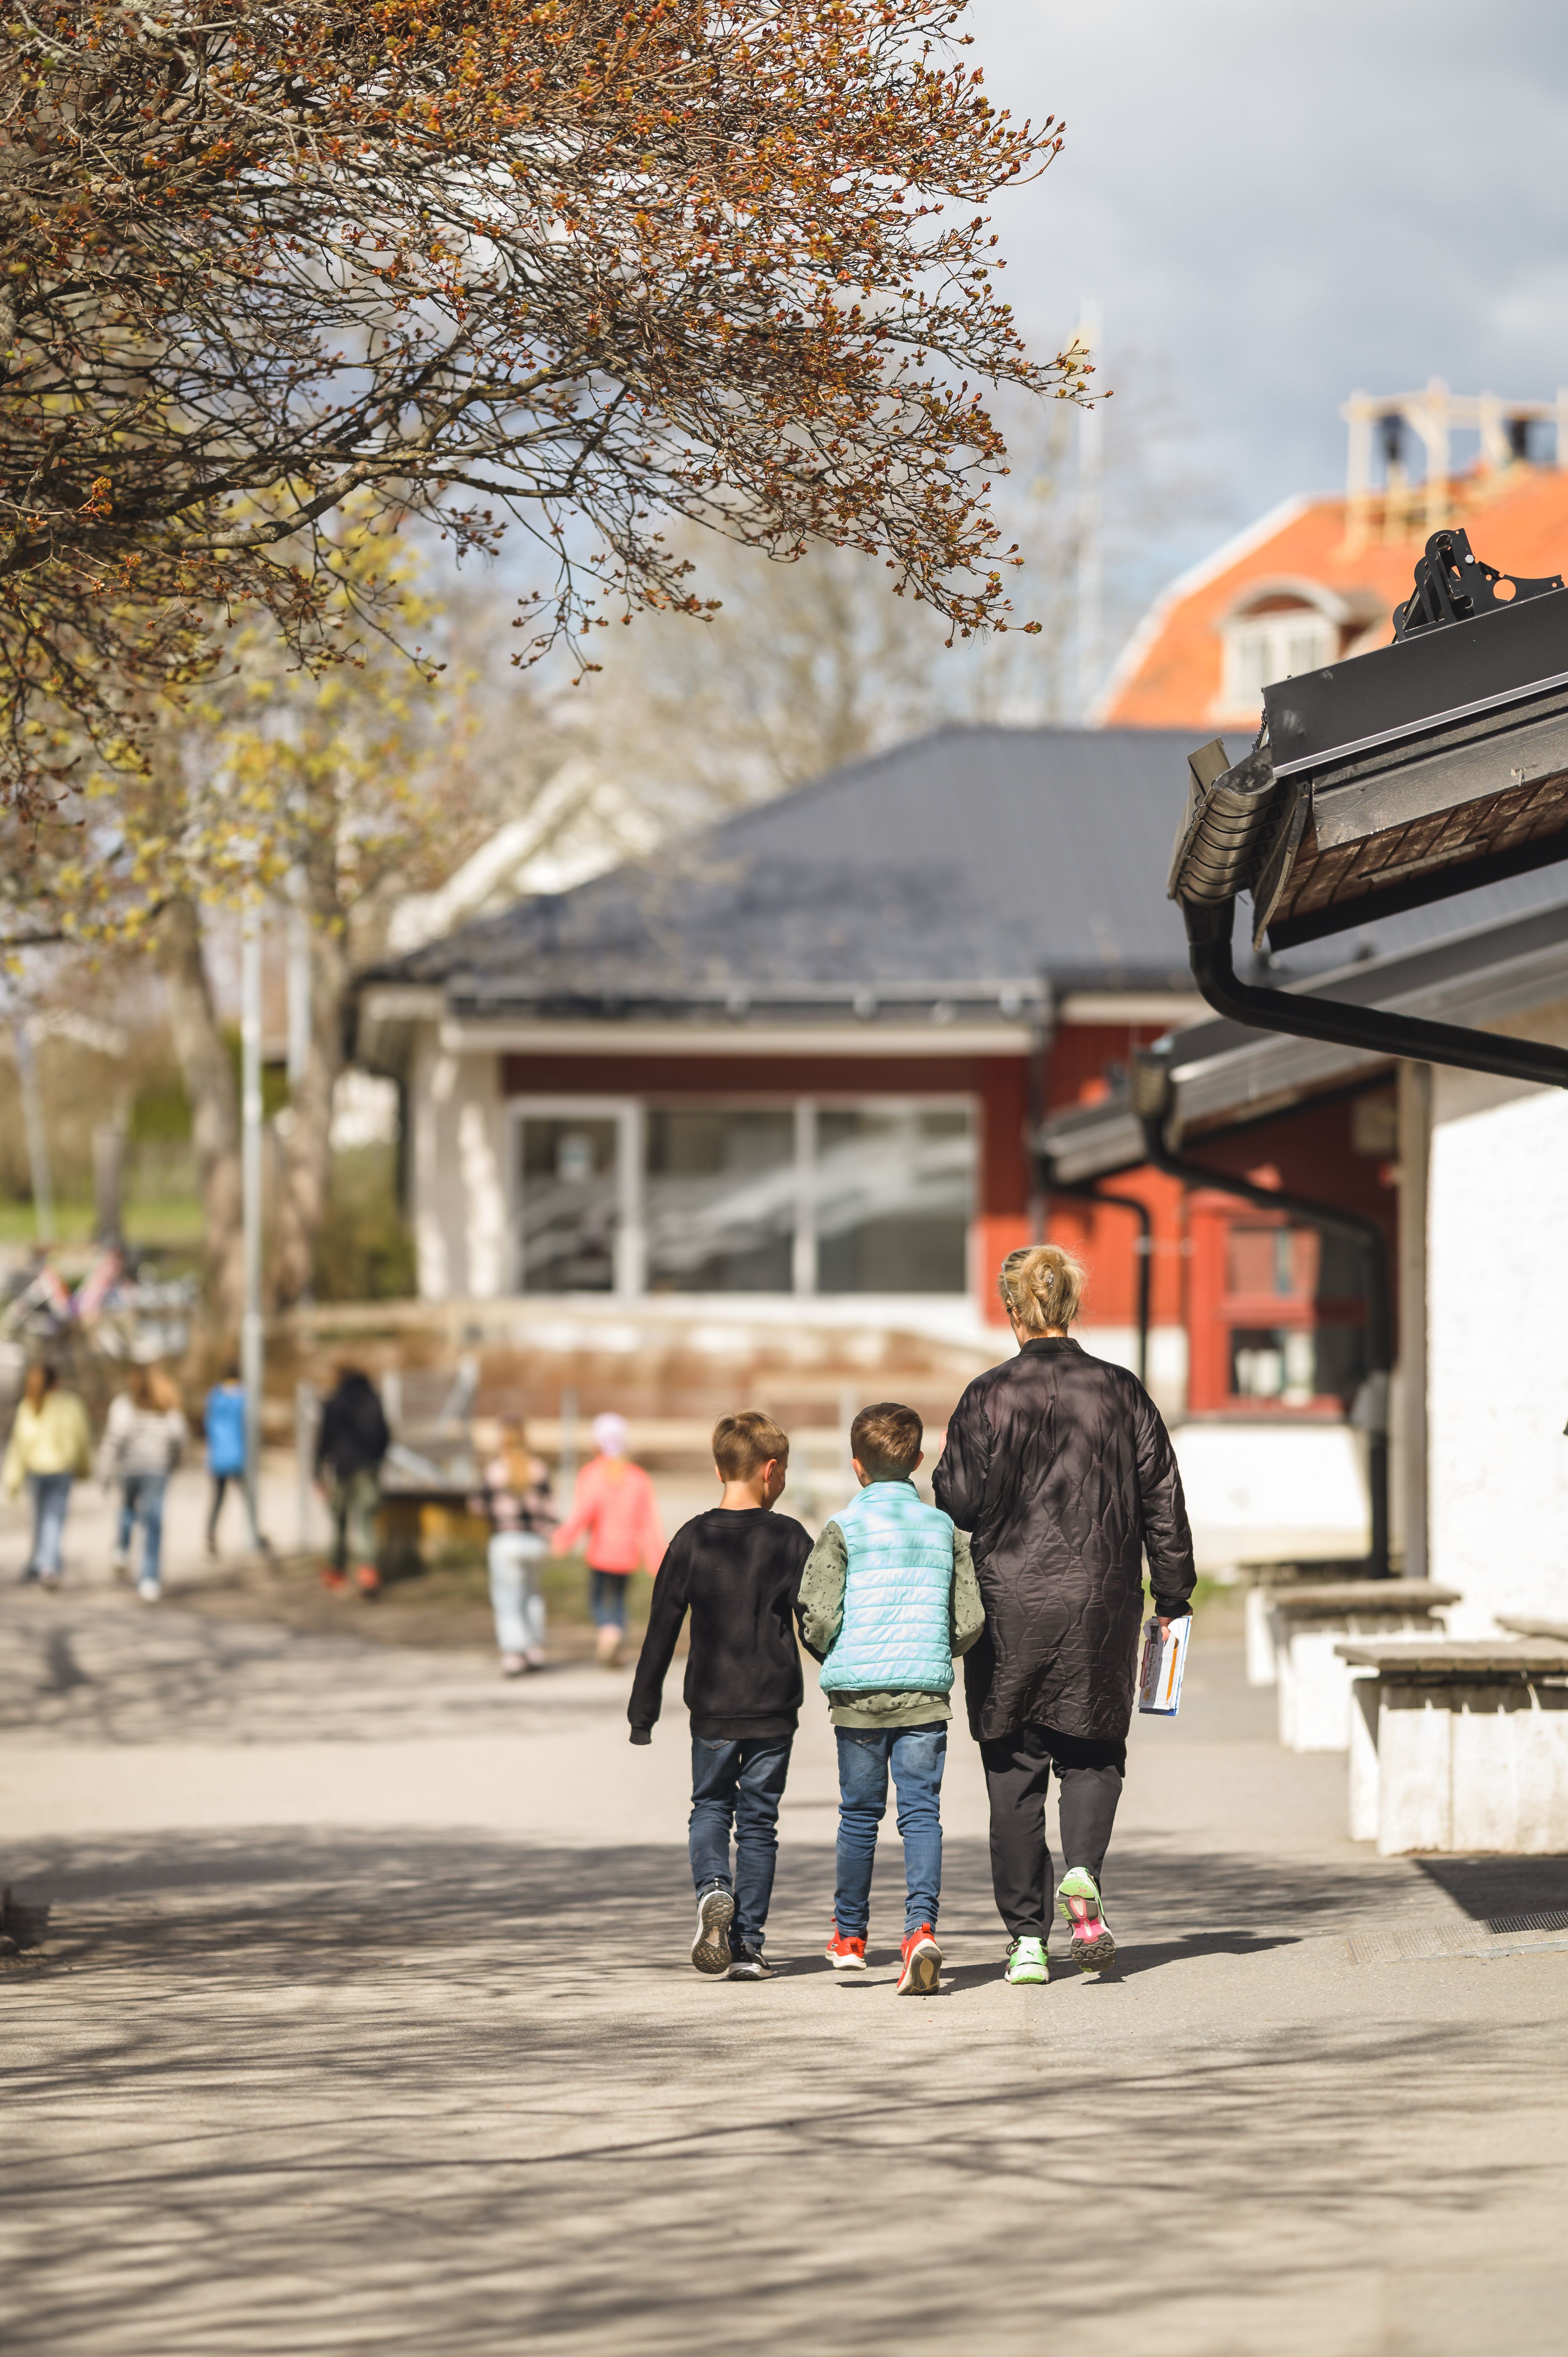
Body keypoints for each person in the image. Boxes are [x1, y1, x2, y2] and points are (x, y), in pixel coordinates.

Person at [934, 1243, 1196, 1986]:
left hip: (1007, 1606)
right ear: (1069, 1306)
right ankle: (1082, 1872)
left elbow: (956, 1501)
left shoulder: (986, 1394)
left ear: (1012, 1311)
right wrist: (1172, 1591)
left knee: (1012, 1767)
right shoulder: (1121, 1391)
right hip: (1099, 1601)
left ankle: (1026, 1940)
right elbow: (1162, 1498)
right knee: (1092, 1751)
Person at [798, 1401, 984, 1997]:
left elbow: (817, 1613)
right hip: (923, 1693)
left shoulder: (841, 1528)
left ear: (856, 1466)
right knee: (920, 1813)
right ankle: (920, 1930)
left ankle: (850, 1937)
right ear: (919, 1460)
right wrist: (933, 1649)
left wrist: (833, 1653)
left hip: (858, 1694)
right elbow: (969, 1619)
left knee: (859, 1814)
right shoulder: (944, 1530)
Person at [628, 1410, 811, 1982]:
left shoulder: (691, 1538)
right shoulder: (789, 1537)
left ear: (718, 1469)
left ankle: (712, 1887)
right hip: (773, 1708)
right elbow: (816, 1622)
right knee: (758, 1823)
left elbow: (661, 1628)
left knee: (710, 1806)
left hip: (711, 1707)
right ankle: (748, 1944)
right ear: (771, 1470)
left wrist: (643, 1711)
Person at [551, 1411, 663, 1665]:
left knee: (599, 1599)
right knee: (620, 1600)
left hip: (601, 1554)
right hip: (627, 1555)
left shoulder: (592, 1475)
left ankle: (608, 1633)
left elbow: (582, 1513)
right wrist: (656, 1559)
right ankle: (617, 1645)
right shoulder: (638, 1478)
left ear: (596, 1445)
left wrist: (564, 1540)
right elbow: (649, 1521)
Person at [470, 1420, 555, 1675]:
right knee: (532, 1595)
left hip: (505, 1540)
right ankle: (534, 1648)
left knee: (508, 1598)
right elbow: (551, 1508)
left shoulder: (495, 1471)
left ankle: (514, 1652)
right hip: (534, 1541)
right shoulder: (538, 1469)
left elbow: (477, 1506)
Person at [101, 1364, 188, 1603]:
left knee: (127, 1509)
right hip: (157, 1469)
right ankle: (149, 1578)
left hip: (130, 1468)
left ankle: (122, 1549)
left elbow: (115, 1439)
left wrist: (106, 1473)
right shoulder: (168, 1406)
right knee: (153, 1524)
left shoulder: (124, 1405)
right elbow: (179, 1438)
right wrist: (173, 1464)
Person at [3, 1363, 92, 1590]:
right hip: (61, 1470)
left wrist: (13, 1479)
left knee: (41, 1518)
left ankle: (40, 1563)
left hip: (37, 1470)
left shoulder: (29, 1405)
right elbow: (82, 1438)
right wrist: (84, 1468)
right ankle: (47, 1567)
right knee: (53, 1519)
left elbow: (20, 1445)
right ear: (56, 1382)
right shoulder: (70, 1403)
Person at [314, 1365, 391, 1595]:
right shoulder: (373, 1400)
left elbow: (323, 1440)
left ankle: (337, 1570)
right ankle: (368, 1571)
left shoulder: (335, 1402)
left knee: (339, 1521)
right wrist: (377, 1460)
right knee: (366, 1520)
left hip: (342, 1469)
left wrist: (318, 1472)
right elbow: (386, 1436)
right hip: (368, 1469)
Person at [203, 1367, 246, 1556]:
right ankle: (254, 1532)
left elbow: (207, 1424)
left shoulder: (215, 1395)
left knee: (218, 1499)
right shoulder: (243, 1397)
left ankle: (211, 1535)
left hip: (218, 1456)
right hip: (238, 1455)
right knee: (248, 1497)